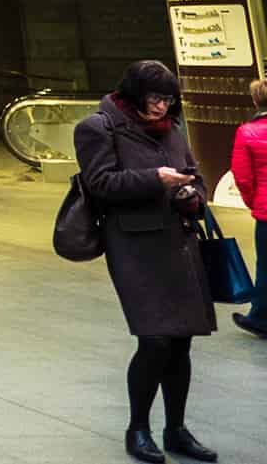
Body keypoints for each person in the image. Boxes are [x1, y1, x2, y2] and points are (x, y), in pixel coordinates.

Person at [75, 61, 220, 463]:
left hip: (178, 241)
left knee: (181, 341)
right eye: (155, 99)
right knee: (154, 339)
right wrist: (155, 179)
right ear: (135, 94)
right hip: (134, 245)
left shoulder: (172, 128)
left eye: (168, 100)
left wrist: (193, 195)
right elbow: (100, 183)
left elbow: (194, 176)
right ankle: (138, 428)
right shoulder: (98, 127)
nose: (161, 107)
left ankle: (176, 428)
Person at [232, 78, 267, 338]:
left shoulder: (247, 132)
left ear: (256, 101)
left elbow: (242, 178)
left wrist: (254, 202)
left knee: (266, 266)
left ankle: (261, 318)